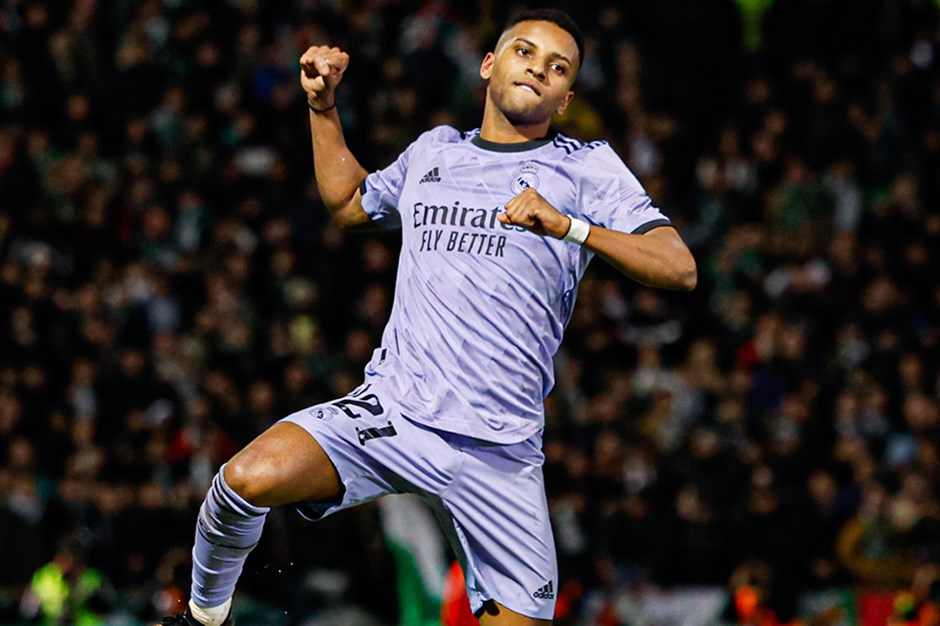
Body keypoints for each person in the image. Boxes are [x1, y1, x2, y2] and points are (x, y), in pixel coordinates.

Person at [159, 8, 696, 626]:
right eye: (525, 52)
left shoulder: (586, 167)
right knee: (242, 480)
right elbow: (349, 203)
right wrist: (323, 108)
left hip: (500, 451)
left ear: (566, 98)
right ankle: (203, 620)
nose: (538, 69)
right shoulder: (434, 150)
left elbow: (678, 267)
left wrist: (570, 226)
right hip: (397, 413)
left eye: (558, 67)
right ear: (489, 64)